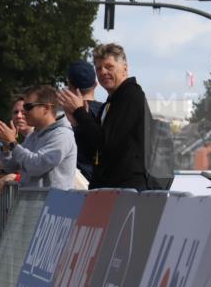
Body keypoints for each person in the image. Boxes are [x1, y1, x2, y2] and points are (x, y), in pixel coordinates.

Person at [58, 44, 154, 190]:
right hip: (108, 188)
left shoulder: (131, 95)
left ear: (124, 68)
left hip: (126, 190)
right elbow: (95, 149)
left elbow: (106, 142)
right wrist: (76, 123)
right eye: (98, 68)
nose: (103, 72)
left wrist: (79, 112)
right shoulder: (110, 103)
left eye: (109, 66)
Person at [0, 85, 77, 190]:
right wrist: (6, 147)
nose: (24, 112)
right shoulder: (32, 136)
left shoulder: (63, 135)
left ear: (46, 108)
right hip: (31, 203)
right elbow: (12, 167)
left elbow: (37, 166)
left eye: (28, 107)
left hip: (52, 205)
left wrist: (13, 143)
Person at [61, 59, 106, 186]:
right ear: (96, 84)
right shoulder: (109, 111)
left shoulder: (63, 118)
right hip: (106, 184)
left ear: (69, 86)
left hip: (77, 185)